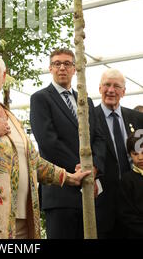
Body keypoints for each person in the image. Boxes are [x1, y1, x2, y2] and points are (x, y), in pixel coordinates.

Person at [0, 49, 90, 239]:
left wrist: (70, 177)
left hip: (20, 223)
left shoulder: (12, 118)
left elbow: (33, 162)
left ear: (3, 76)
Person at [30, 48, 105, 239]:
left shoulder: (85, 101)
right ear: (50, 68)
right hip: (60, 192)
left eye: (67, 64)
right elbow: (48, 142)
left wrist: (94, 167)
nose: (62, 68)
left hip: (89, 190)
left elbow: (99, 138)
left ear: (75, 69)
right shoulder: (40, 99)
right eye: (57, 64)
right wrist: (79, 170)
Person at [95, 69, 143, 238]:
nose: (111, 90)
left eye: (116, 86)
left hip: (135, 208)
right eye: (107, 85)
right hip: (103, 204)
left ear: (124, 91)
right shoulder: (89, 118)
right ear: (99, 88)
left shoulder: (138, 119)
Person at [118, 132, 143, 238]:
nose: (140, 158)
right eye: (135, 154)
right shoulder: (127, 180)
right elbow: (126, 214)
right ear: (130, 154)